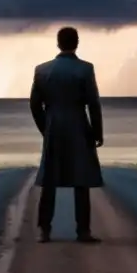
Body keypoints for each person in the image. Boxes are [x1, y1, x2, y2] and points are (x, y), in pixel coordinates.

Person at [29, 26, 104, 243]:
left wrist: (45, 128)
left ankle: (44, 231)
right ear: (76, 43)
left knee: (50, 180)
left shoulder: (42, 70)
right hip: (79, 126)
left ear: (58, 43)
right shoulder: (85, 69)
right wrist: (97, 132)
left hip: (54, 126)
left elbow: (34, 104)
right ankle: (83, 231)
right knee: (81, 180)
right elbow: (93, 104)